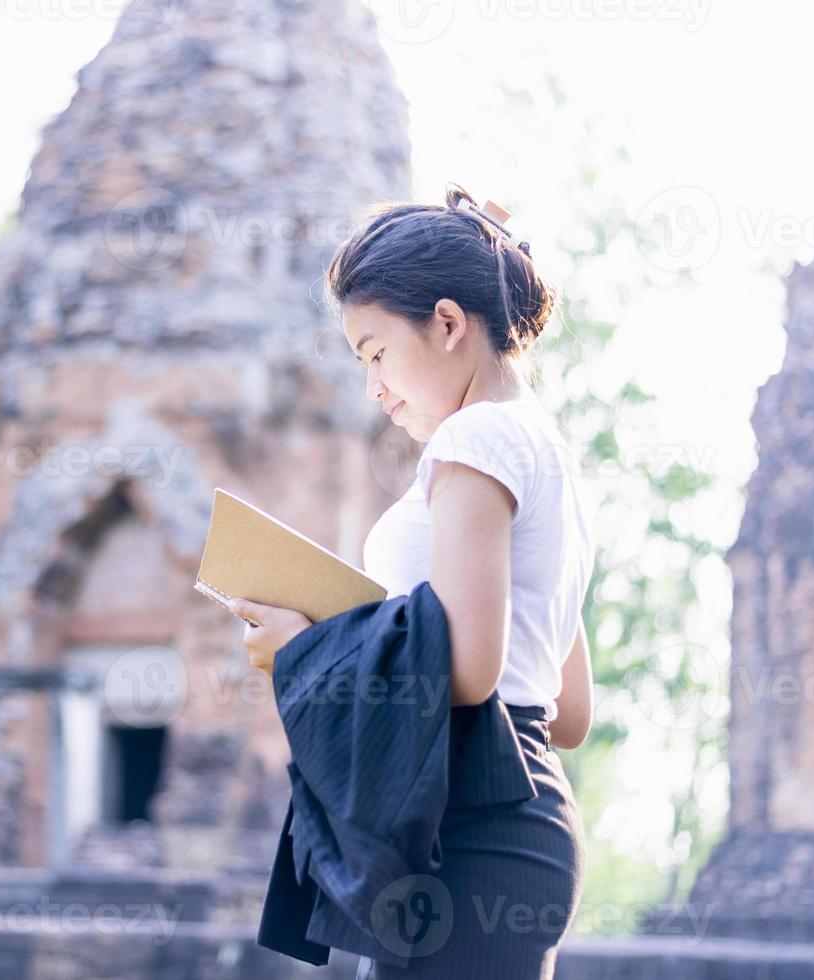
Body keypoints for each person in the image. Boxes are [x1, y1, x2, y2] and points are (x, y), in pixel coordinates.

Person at [232, 183, 598, 979]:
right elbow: (566, 713)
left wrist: (308, 649)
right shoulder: (544, 451)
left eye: (374, 352)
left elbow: (465, 669)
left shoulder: (475, 438)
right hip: (512, 816)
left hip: (466, 827)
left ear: (445, 324)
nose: (373, 385)